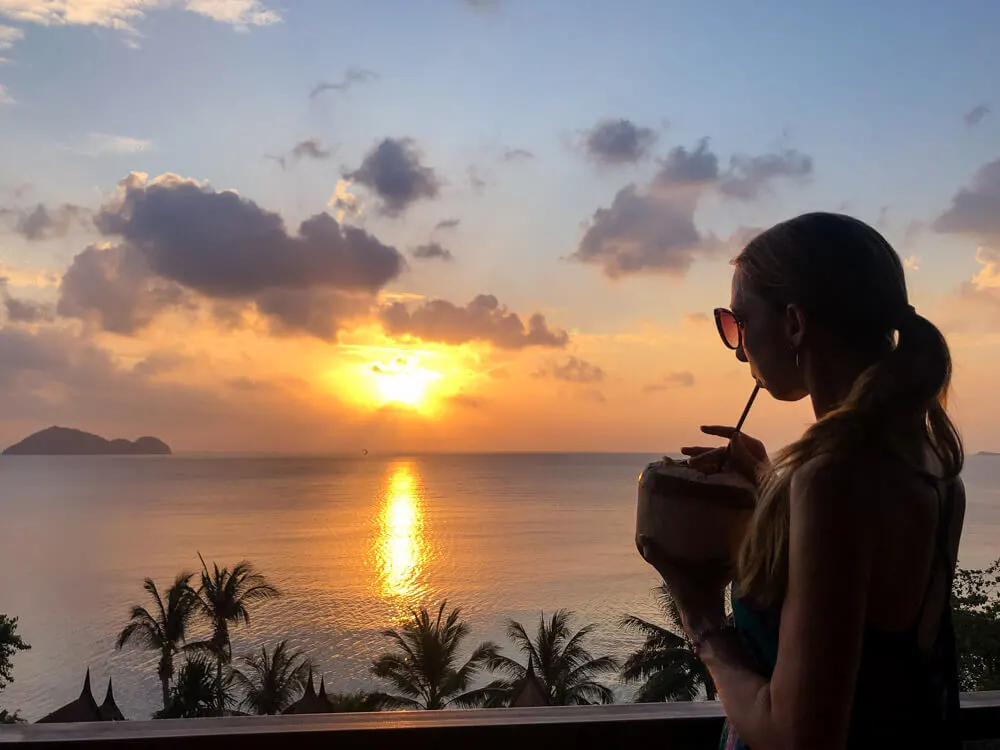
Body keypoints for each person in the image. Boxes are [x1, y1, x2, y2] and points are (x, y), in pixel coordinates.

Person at [637, 212, 966, 749]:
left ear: (793, 322)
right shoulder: (935, 470)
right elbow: (870, 645)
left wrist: (700, 619)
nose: (739, 348)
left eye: (739, 323)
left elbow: (797, 736)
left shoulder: (831, 478)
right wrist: (769, 481)